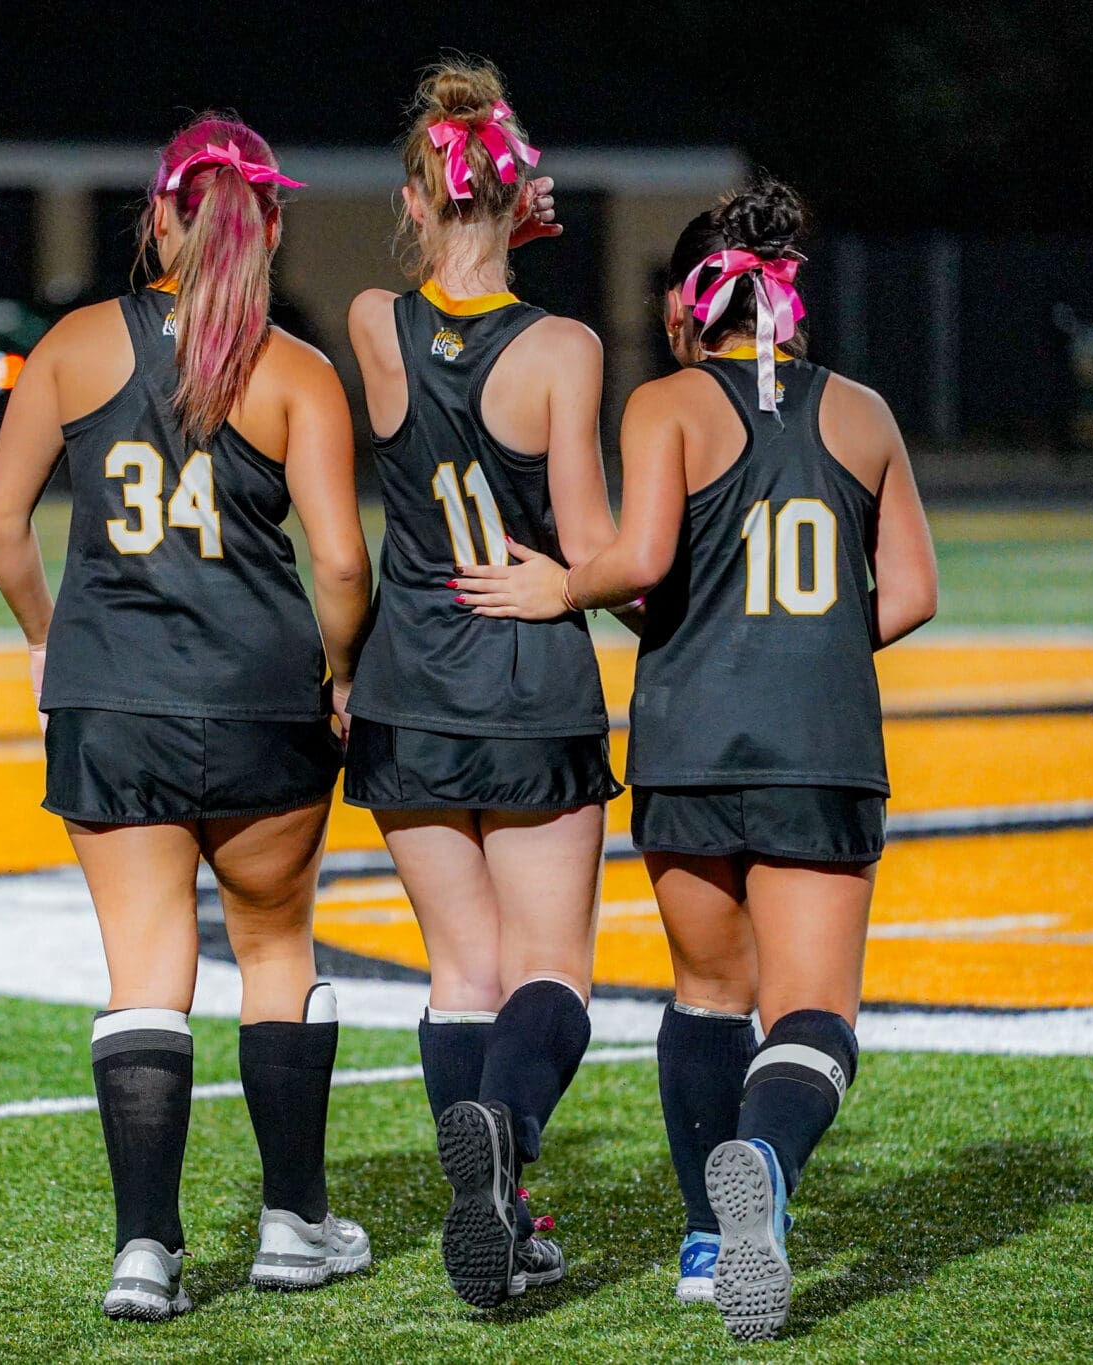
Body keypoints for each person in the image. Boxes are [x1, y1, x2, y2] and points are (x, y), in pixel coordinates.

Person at [451, 178, 938, 1340]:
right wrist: (810, 646)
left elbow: (643, 562)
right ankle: (761, 1164)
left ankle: (707, 1242)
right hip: (818, 746)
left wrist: (562, 586)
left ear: (686, 306)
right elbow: (913, 592)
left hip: (687, 741)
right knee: (811, 1011)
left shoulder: (664, 404)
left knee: (706, 994)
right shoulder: (863, 413)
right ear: (790, 303)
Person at [0, 115, 375, 1322]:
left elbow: (0, 522)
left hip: (111, 698)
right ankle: (292, 1224)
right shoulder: (295, 369)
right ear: (268, 228)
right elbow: (341, 563)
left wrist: (45, 637)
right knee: (275, 951)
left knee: (145, 971)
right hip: (260, 700)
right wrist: (340, 673)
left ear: (156, 216)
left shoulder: (73, 345)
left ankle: (145, 1251)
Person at [343, 58, 617, 1308]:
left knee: (460, 974)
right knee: (551, 972)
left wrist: (485, 228)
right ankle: (502, 1146)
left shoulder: (369, 322)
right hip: (525, 685)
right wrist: (568, 583)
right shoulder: (564, 349)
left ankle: (492, 1217)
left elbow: (441, 294)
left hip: (404, 688)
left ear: (413, 199)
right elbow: (590, 547)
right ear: (518, 196)